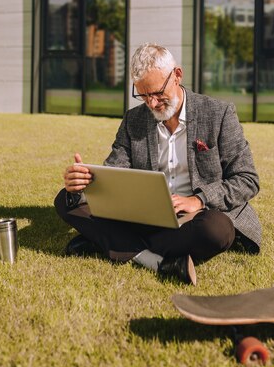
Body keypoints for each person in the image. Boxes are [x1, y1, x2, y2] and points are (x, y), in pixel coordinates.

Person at [54, 43, 261, 285]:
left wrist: (198, 200)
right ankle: (157, 262)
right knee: (65, 200)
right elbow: (116, 168)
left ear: (177, 75)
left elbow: (247, 179)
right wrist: (84, 183)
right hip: (145, 215)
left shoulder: (219, 113)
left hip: (196, 218)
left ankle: (108, 242)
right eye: (143, 95)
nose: (151, 104)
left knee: (218, 231)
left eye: (157, 93)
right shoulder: (134, 120)